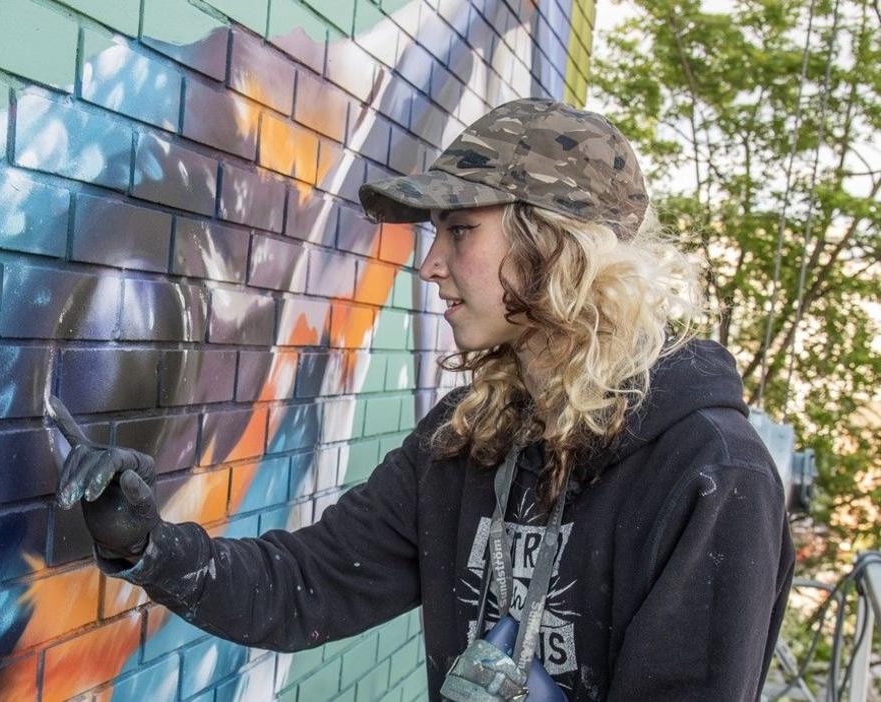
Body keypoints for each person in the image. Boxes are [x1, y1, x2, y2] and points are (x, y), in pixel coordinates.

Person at [49, 97, 796, 700]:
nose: (431, 265)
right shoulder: (470, 437)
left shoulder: (713, 474)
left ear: (555, 245)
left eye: (460, 230)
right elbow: (305, 586)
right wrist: (145, 543)